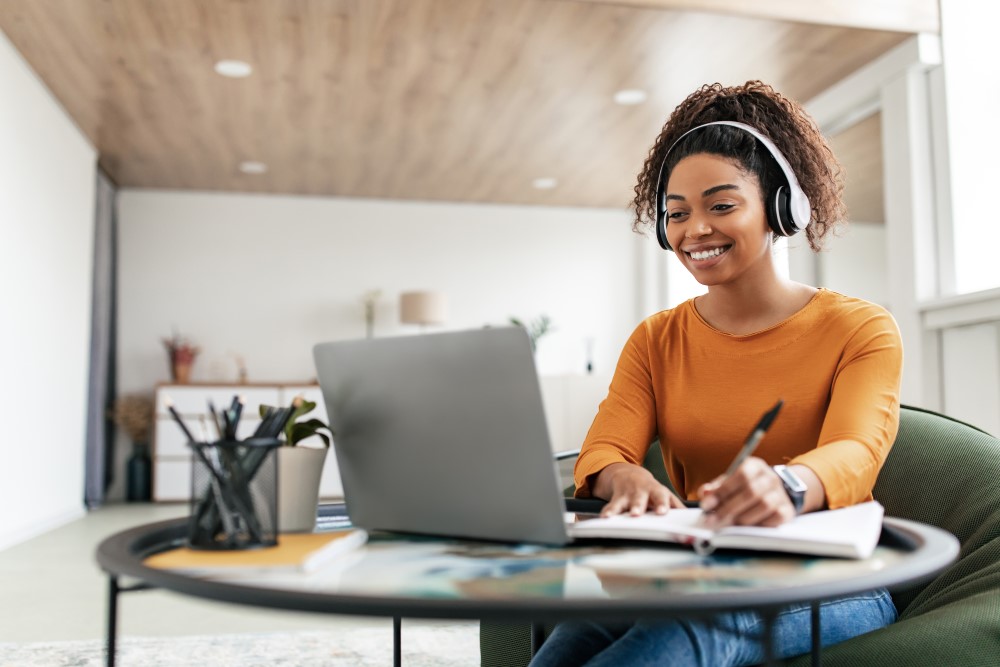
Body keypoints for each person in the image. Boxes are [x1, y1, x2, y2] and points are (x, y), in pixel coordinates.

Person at [529, 80, 903, 666]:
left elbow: (858, 450)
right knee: (570, 644)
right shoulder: (655, 339)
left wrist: (787, 485)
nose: (694, 230)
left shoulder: (861, 328)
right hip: (702, 570)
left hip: (835, 580)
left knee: (684, 630)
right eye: (676, 214)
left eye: (721, 205)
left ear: (782, 207)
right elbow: (604, 447)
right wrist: (618, 477)